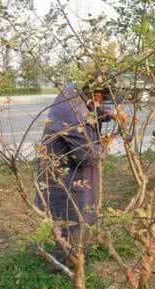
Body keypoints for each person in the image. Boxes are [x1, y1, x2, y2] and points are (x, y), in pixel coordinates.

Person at [34, 77, 114, 261]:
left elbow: (90, 107)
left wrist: (103, 112)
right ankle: (64, 267)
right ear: (96, 93)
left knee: (73, 219)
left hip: (68, 172)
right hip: (63, 179)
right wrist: (105, 147)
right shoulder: (74, 113)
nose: (100, 103)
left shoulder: (74, 91)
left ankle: (73, 256)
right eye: (101, 99)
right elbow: (88, 155)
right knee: (68, 220)